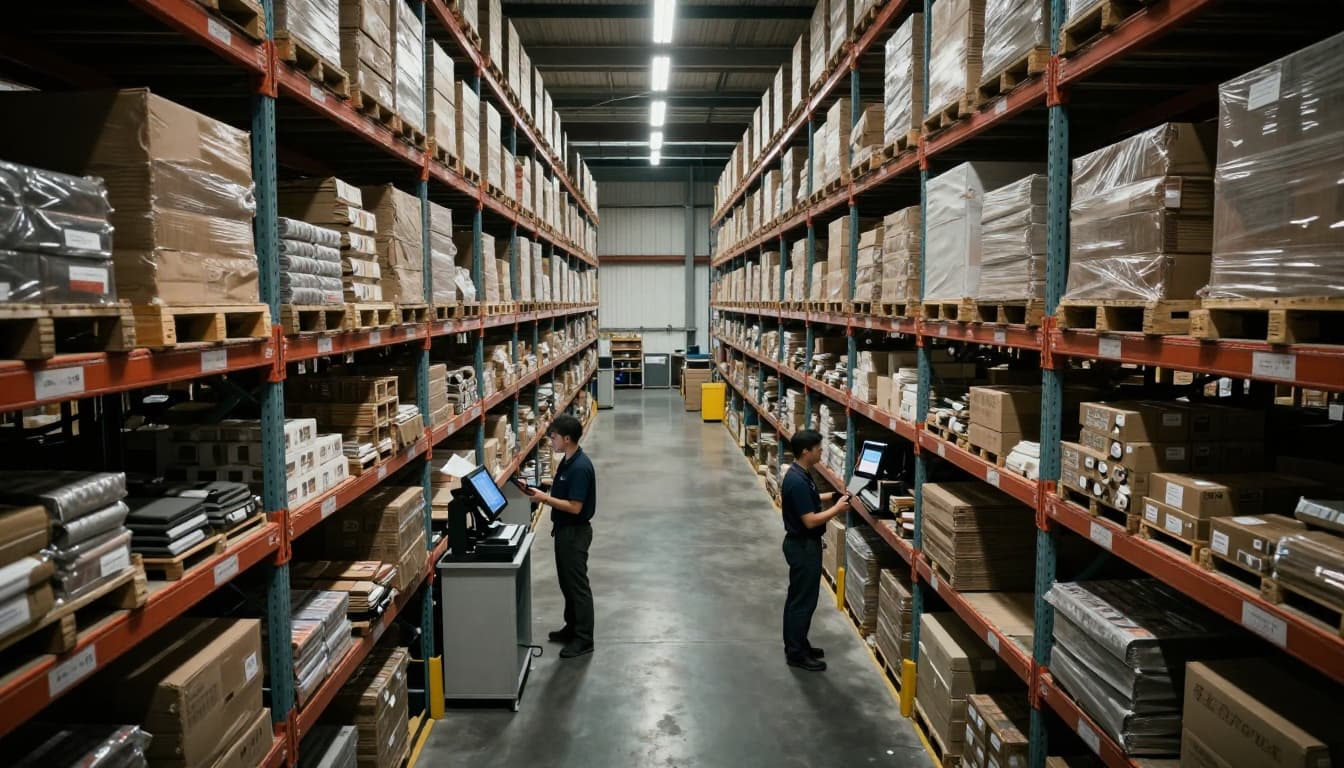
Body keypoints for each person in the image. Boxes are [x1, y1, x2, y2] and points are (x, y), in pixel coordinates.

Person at [524, 413, 597, 659]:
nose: (551, 440)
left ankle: (584, 638)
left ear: (567, 439)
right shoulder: (568, 460)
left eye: (554, 436)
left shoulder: (580, 467)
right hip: (565, 531)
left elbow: (575, 507)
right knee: (566, 583)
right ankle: (572, 627)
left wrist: (544, 499)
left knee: (577, 585)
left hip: (575, 533)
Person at [779, 429, 850, 671]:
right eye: (818, 449)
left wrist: (832, 496)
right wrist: (837, 509)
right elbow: (810, 520)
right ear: (805, 451)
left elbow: (809, 497)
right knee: (803, 602)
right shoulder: (797, 481)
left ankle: (798, 644)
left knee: (798, 599)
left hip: (802, 545)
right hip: (803, 546)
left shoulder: (800, 473)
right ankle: (796, 654)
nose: (821, 452)